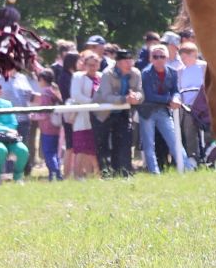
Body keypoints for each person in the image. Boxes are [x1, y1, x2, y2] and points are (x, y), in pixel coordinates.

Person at [138, 43, 191, 173]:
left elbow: (175, 90)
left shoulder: (172, 72)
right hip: (147, 112)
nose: (159, 59)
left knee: (174, 141)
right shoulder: (145, 73)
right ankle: (154, 172)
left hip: (163, 111)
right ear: (151, 59)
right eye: (155, 56)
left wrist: (176, 98)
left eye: (162, 56)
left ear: (167, 58)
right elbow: (149, 95)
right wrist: (170, 100)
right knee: (149, 144)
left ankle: (187, 168)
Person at [96, 49, 142, 176]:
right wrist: (124, 99)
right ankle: (105, 173)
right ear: (118, 62)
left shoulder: (136, 73)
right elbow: (106, 96)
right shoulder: (107, 73)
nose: (129, 63)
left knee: (124, 142)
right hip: (104, 113)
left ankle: (125, 172)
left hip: (123, 112)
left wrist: (136, 97)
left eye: (130, 60)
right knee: (103, 145)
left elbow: (140, 92)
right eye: (126, 61)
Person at [65, 50, 104, 179]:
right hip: (82, 117)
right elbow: (76, 95)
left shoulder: (102, 76)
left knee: (94, 149)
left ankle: (96, 175)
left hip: (98, 118)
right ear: (85, 65)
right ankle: (77, 175)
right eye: (90, 65)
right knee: (81, 148)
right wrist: (94, 104)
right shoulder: (78, 76)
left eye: (95, 64)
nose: (92, 67)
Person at [175, 39, 209, 164]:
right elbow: (178, 89)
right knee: (189, 131)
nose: (183, 60)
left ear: (193, 54)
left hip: (204, 107)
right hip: (187, 107)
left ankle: (210, 153)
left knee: (208, 131)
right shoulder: (179, 70)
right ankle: (193, 157)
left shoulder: (204, 66)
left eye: (185, 57)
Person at [33, 69, 64, 182]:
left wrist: (34, 116)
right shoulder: (55, 90)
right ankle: (56, 174)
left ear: (42, 79)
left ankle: (55, 173)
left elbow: (45, 113)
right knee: (56, 152)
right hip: (57, 127)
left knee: (49, 152)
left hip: (47, 127)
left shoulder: (45, 92)